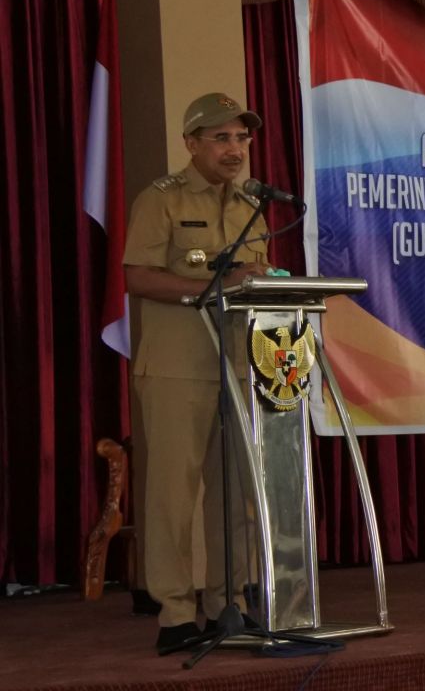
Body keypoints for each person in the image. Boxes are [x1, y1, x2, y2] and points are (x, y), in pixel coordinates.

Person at [123, 92, 273, 652]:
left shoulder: (251, 206)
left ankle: (227, 603)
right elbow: (137, 277)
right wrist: (212, 289)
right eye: (221, 138)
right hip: (177, 369)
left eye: (241, 138)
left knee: (234, 494)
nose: (235, 150)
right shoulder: (160, 200)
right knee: (173, 494)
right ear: (192, 143)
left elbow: (253, 277)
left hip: (237, 366)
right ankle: (175, 613)